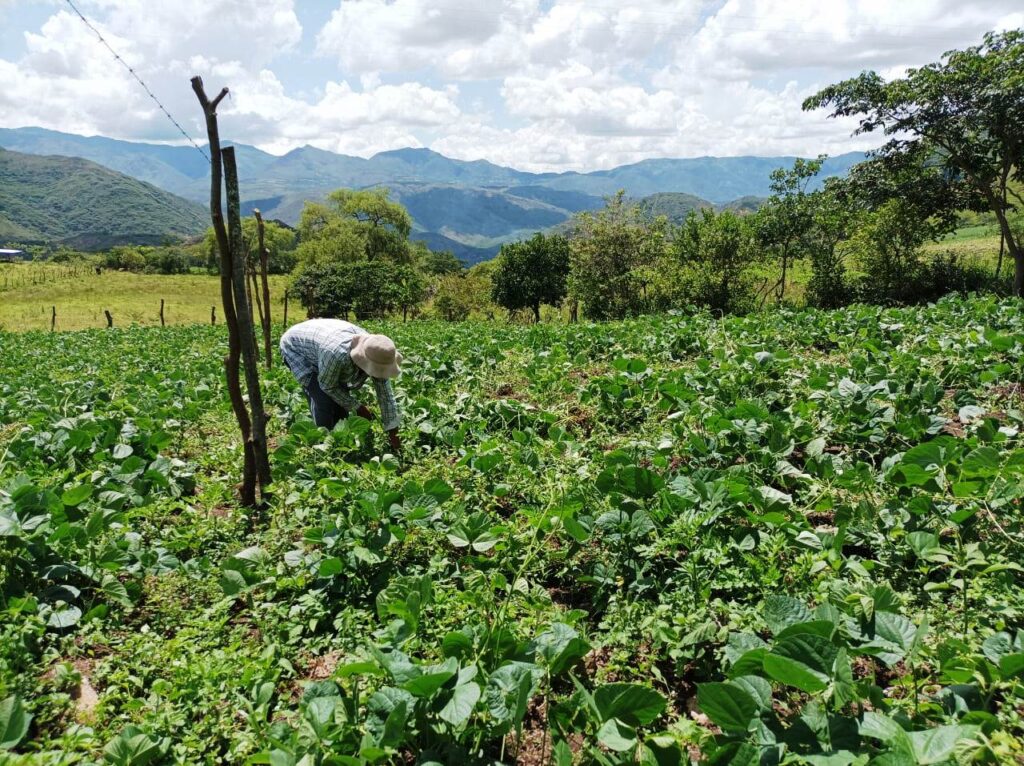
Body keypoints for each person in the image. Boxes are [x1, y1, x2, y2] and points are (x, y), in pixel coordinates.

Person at [280, 319, 402, 452]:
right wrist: (358, 407)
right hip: (296, 347)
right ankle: (323, 445)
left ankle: (340, 440)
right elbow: (328, 386)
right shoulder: (338, 355)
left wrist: (393, 432)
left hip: (322, 342)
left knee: (341, 407)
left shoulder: (378, 352)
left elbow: (386, 396)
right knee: (322, 399)